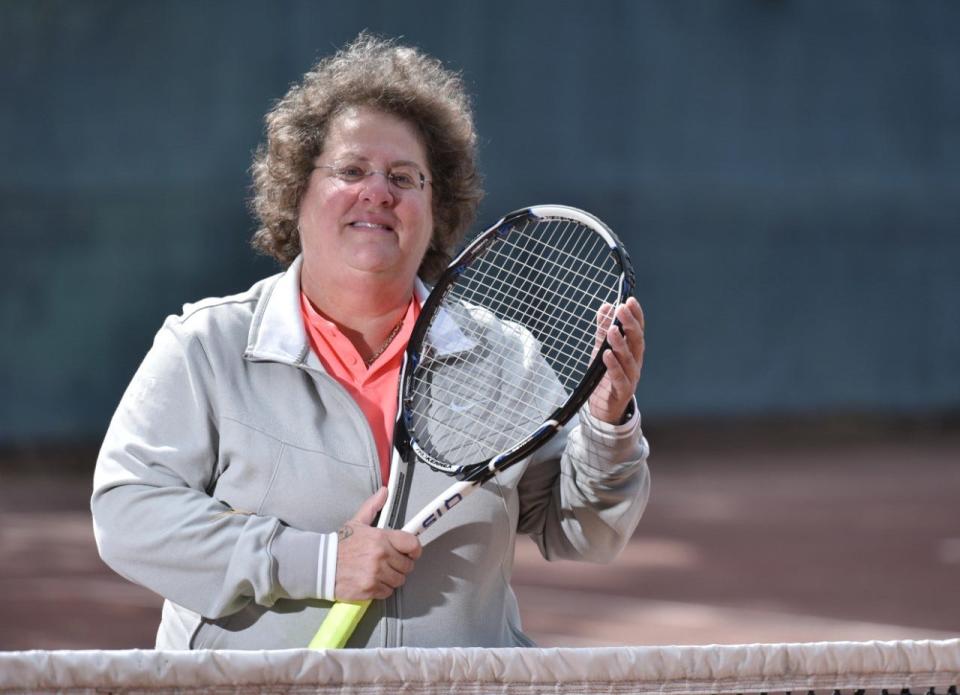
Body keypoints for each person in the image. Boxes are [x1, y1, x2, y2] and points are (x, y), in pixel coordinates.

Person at [91, 33, 650, 649]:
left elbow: (585, 534)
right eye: (351, 170)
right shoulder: (207, 347)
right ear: (296, 192)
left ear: (435, 208)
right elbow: (130, 515)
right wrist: (318, 563)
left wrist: (608, 426)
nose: (378, 192)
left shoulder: (504, 359)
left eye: (405, 178)